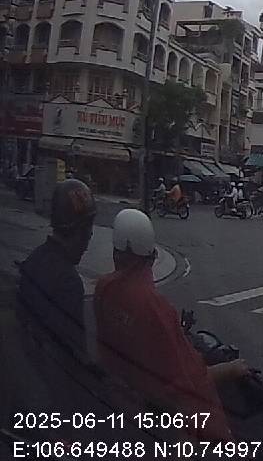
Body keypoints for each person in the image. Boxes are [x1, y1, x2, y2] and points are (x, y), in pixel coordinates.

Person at [94, 209, 245, 441]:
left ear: (117, 252)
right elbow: (186, 380)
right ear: (152, 256)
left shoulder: (104, 288)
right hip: (158, 416)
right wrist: (232, 369)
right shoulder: (153, 306)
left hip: (119, 398)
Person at [16, 179, 97, 360]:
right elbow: (73, 351)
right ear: (82, 232)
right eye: (88, 232)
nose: (88, 241)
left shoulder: (34, 259)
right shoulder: (68, 282)